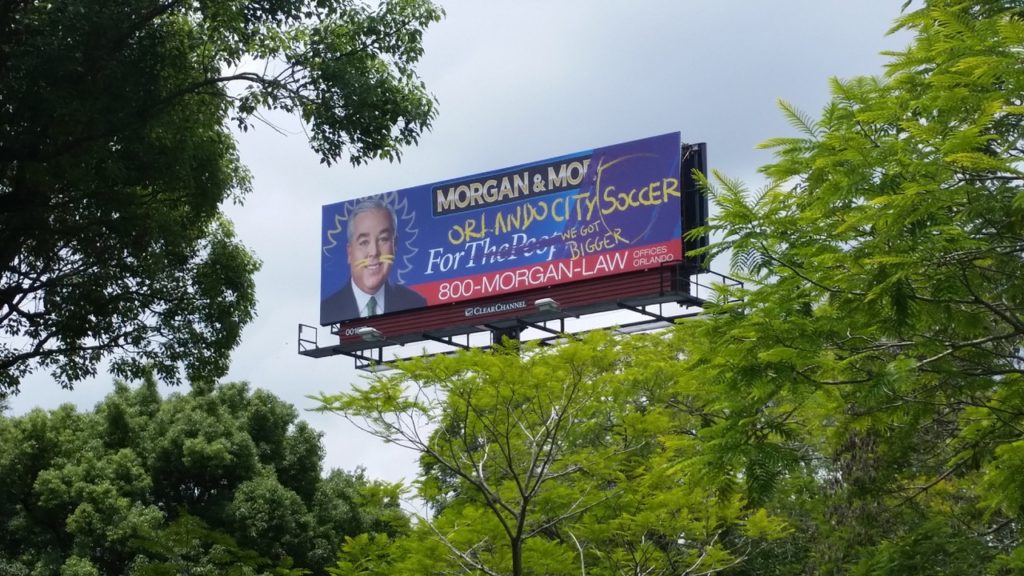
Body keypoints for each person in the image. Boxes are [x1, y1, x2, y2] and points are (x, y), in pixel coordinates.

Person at [321, 198, 426, 324]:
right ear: (349, 252)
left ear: (395, 245)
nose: (374, 252)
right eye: (364, 242)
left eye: (383, 239)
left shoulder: (415, 303)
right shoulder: (328, 309)